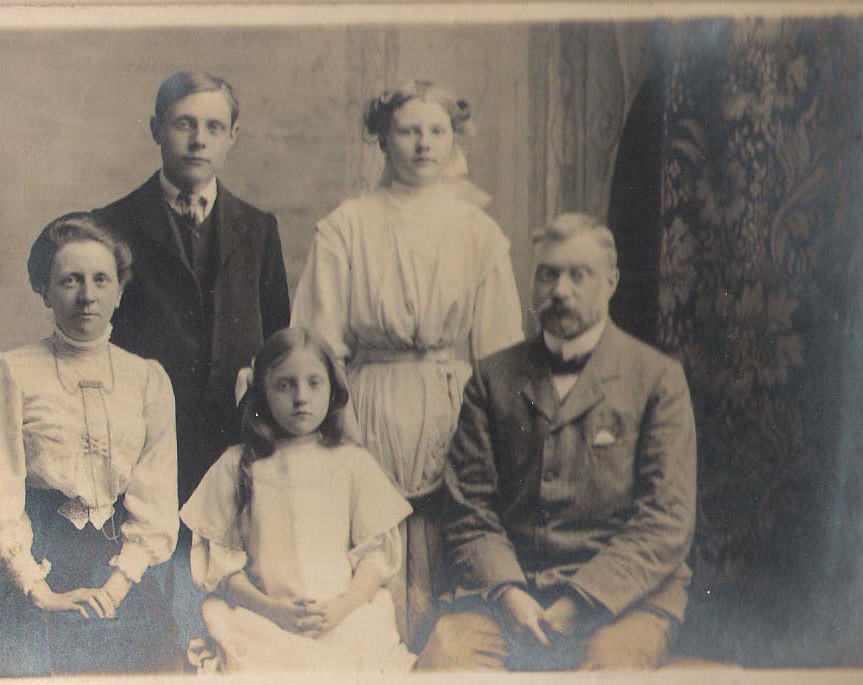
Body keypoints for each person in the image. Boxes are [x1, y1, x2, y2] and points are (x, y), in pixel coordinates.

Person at [290, 79, 524, 646]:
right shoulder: (347, 225)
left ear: (452, 141)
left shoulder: (478, 232)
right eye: (408, 131)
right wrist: (337, 422)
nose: (423, 144)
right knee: (371, 540)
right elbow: (318, 340)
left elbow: (501, 351)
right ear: (384, 141)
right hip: (367, 402)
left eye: (436, 131)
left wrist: (496, 430)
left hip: (454, 405)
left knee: (450, 535)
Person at [416, 213, 697, 671]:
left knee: (612, 669)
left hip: (622, 600)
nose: (560, 290)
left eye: (578, 275)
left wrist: (580, 601)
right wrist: (509, 594)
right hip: (510, 598)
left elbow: (665, 520)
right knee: (445, 659)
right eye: (548, 274)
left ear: (611, 281)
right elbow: (469, 511)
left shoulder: (657, 379)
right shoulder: (492, 378)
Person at [92, 71, 290, 650]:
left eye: (212, 126)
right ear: (157, 130)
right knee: (150, 560)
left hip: (231, 427)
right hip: (144, 431)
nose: (198, 140)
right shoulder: (114, 224)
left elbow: (277, 335)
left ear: (232, 135)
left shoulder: (257, 228)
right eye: (184, 124)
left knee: (223, 561)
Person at [0, 213, 180, 676]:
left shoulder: (147, 379)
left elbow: (154, 500)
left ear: (119, 288)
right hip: (32, 557)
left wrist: (115, 589)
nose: (87, 295)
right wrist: (39, 589)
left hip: (120, 562)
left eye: (100, 279)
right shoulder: (9, 373)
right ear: (45, 291)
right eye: (70, 280)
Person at [179, 327, 416, 671]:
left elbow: (374, 559)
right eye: (285, 384)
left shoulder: (352, 463)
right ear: (263, 391)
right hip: (266, 620)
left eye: (313, 383)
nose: (301, 397)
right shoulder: (238, 464)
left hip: (342, 618)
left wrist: (341, 608)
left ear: (332, 389)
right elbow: (224, 570)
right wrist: (272, 611)